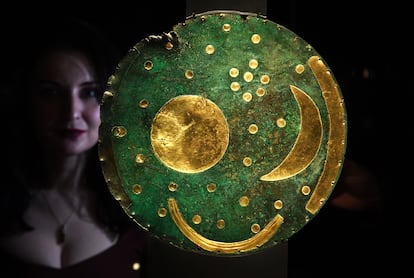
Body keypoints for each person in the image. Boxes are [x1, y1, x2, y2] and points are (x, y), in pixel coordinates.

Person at [0, 15, 149, 277]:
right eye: (50, 92)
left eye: (89, 92)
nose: (71, 113)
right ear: (26, 101)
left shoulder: (138, 207)